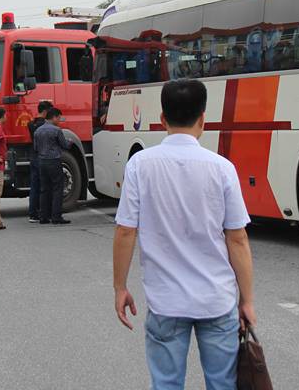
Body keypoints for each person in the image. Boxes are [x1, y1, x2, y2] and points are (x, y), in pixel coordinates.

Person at [112, 79, 254, 390]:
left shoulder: (140, 165)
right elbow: (238, 238)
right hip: (216, 300)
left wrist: (120, 287)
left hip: (166, 302)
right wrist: (247, 300)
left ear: (162, 119)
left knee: (166, 384)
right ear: (203, 118)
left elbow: (125, 231)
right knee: (222, 384)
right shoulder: (222, 168)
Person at [34, 107, 71, 225]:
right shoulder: (56, 130)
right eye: (59, 118)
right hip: (54, 161)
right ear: (54, 117)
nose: (59, 120)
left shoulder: (37, 131)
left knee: (44, 189)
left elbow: (35, 148)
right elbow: (64, 145)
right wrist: (70, 141)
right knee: (57, 188)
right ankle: (56, 216)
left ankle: (43, 217)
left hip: (42, 161)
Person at [27, 100, 52, 222]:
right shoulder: (46, 126)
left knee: (34, 185)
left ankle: (32, 213)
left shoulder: (31, 124)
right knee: (45, 186)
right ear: (46, 111)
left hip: (33, 156)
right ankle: (44, 212)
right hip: (43, 156)